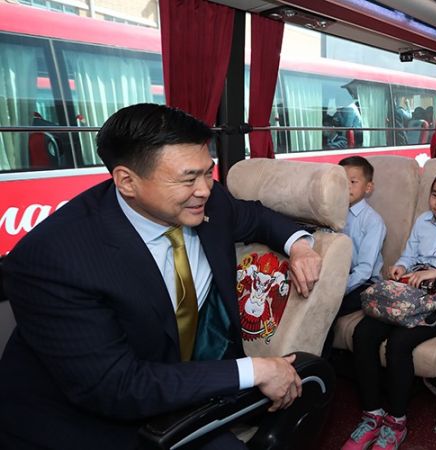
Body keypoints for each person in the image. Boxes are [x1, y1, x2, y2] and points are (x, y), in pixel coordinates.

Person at [0, 104, 323, 449]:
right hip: (86, 418)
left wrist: (299, 246)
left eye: (208, 172)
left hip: (176, 389)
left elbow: (256, 217)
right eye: (188, 178)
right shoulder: (53, 260)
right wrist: (254, 370)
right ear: (127, 181)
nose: (204, 189)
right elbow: (115, 387)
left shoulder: (206, 202)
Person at [343, 169, 436, 450]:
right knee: (364, 332)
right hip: (411, 291)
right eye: (435, 195)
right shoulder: (424, 220)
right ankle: (372, 414)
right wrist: (401, 266)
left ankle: (396, 421)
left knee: (399, 342)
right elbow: (409, 255)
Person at [338, 156, 386, 315]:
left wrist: (338, 289)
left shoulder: (373, 221)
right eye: (342, 181)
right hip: (340, 275)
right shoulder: (334, 213)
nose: (346, 186)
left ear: (368, 187)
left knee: (329, 308)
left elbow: (365, 269)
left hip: (365, 282)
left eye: (353, 182)